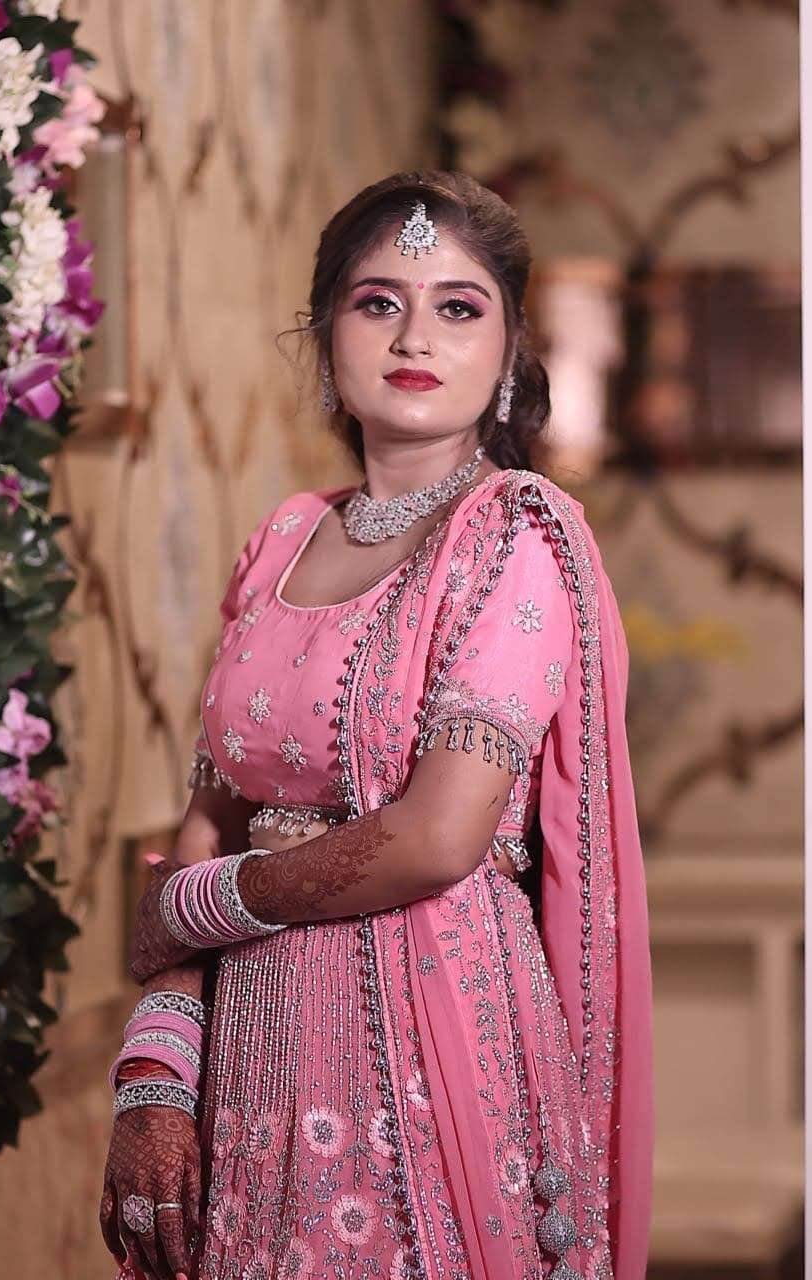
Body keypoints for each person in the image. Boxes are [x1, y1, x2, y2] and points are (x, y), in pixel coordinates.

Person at [99, 170, 653, 1280]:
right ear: (324, 338)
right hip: (252, 1050)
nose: (415, 335)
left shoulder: (516, 537)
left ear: (509, 351)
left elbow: (437, 836)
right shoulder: (284, 538)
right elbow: (214, 811)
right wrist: (156, 1069)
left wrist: (192, 907)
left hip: (434, 1036)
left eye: (459, 306)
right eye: (376, 301)